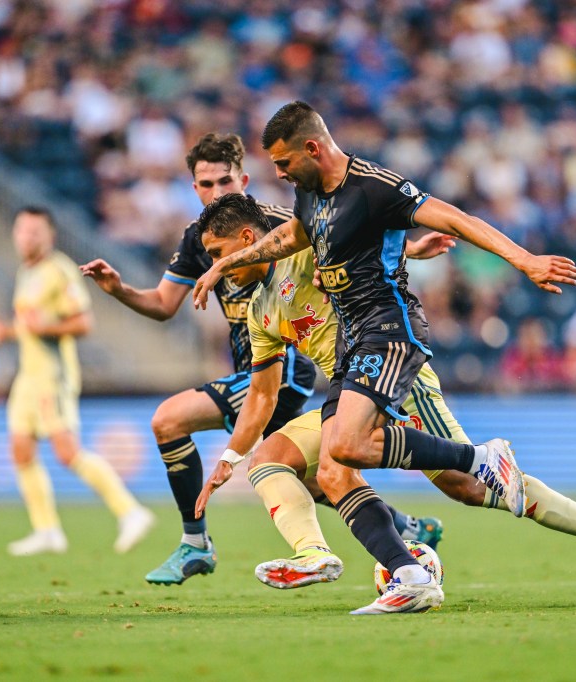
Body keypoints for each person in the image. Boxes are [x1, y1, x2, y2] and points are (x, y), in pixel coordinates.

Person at [192, 101, 576, 614]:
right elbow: (297, 240)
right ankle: (389, 567)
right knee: (319, 465)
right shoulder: (302, 214)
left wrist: (523, 259)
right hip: (353, 365)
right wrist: (229, 266)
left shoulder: (370, 188)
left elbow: (451, 219)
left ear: (311, 148)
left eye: (284, 163)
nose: (280, 174)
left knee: (455, 484)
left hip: (390, 349)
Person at [79, 133, 441, 585]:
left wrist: (407, 250)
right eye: (206, 184)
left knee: (168, 420)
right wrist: (119, 291)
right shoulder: (200, 240)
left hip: (284, 365)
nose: (217, 191)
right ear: (194, 188)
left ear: (244, 179)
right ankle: (407, 528)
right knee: (300, 472)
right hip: (252, 364)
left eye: (225, 181)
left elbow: (336, 245)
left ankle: (196, 543)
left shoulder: (270, 223)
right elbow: (162, 304)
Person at [0, 206, 154, 556]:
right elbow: (33, 323)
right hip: (27, 376)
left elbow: (82, 323)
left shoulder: (59, 270)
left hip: (52, 375)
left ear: (50, 236)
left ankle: (131, 512)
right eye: (22, 230)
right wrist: (10, 331)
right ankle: (47, 530)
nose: (26, 238)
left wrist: (40, 328)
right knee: (21, 451)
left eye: (35, 232)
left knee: (66, 451)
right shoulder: (26, 273)